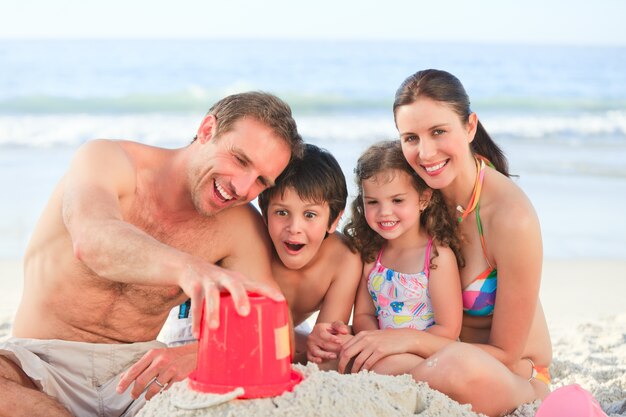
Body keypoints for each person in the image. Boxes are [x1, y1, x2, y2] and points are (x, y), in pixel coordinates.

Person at [0, 91, 304, 417]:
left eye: (261, 180)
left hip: (142, 374)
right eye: (240, 160)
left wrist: (205, 355)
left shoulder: (240, 226)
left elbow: (275, 330)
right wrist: (188, 268)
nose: (243, 188)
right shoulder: (107, 160)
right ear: (206, 130)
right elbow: (93, 239)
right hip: (40, 364)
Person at [340, 69, 551, 417]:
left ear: (470, 127)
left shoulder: (511, 217)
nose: (425, 152)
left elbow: (505, 354)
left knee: (456, 365)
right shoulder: (418, 195)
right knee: (340, 346)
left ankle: (378, 379)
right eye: (410, 137)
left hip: (507, 374)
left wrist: (404, 341)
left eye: (438, 132)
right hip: (424, 356)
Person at [339, 140, 462, 375]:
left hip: (427, 354)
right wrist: (373, 339)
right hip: (381, 349)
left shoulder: (437, 257)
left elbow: (448, 330)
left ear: (423, 199)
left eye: (397, 200)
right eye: (373, 202)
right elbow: (364, 314)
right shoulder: (372, 255)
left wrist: (396, 344)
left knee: (381, 365)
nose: (384, 212)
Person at [257, 143, 362, 367]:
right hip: (232, 327)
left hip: (292, 332)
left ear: (334, 220)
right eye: (282, 212)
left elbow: (325, 346)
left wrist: (320, 344)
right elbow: (250, 338)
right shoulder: (254, 243)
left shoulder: (344, 259)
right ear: (264, 214)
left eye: (310, 214)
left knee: (338, 350)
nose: (294, 227)